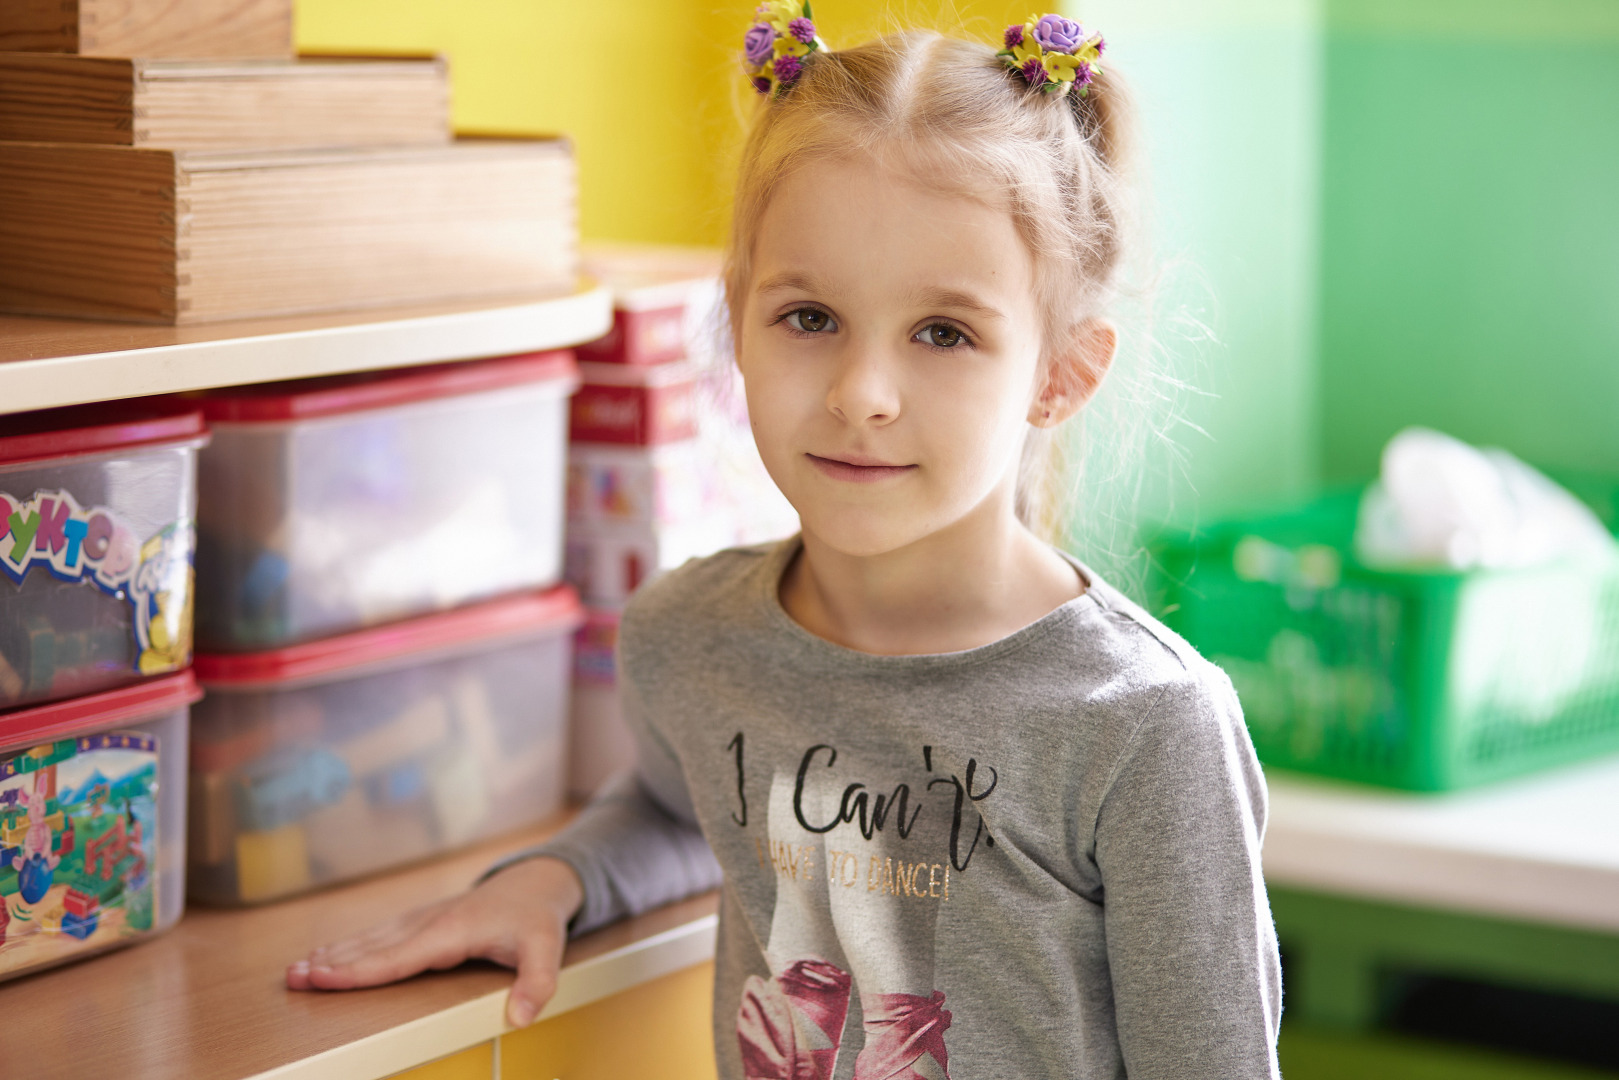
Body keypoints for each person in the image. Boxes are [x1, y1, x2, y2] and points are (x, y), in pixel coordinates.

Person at [287, 11, 1282, 1078]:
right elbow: (684, 806)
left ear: (1060, 374)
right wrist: (552, 880)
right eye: (809, 318)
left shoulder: (1144, 729)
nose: (861, 394)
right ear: (736, 325)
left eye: (943, 333)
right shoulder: (686, 640)